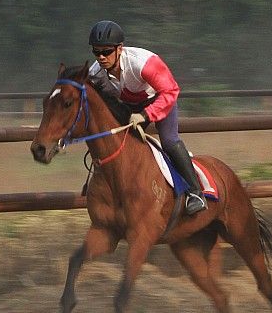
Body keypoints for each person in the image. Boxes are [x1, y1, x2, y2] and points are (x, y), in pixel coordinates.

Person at [86, 20, 207, 215]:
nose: (101, 57)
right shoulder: (95, 73)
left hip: (160, 100)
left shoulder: (143, 63)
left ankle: (195, 193)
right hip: (129, 107)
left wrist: (145, 115)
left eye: (106, 51)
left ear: (120, 49)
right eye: (96, 52)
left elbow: (170, 91)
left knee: (169, 141)